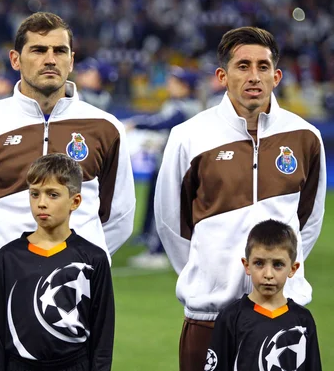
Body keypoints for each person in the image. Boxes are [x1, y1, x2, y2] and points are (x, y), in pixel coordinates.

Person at [0, 12, 135, 371]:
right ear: (15, 59)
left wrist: (72, 263)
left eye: (60, 50)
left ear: (72, 59)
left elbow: (117, 217)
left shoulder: (105, 128)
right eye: (38, 49)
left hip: (73, 292)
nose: (50, 59)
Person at [154, 26, 326, 371]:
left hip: (281, 314)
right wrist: (209, 275)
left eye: (263, 67)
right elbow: (171, 223)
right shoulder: (189, 136)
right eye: (243, 66)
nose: (254, 76)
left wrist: (275, 276)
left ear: (276, 76)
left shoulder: (307, 137)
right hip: (209, 315)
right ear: (222, 75)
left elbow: (308, 223)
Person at [0, 153, 114, 371]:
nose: (41, 203)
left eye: (53, 195)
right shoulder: (8, 257)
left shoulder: (93, 259)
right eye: (34, 194)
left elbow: (103, 333)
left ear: (75, 201)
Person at [205, 219, 321, 371]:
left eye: (278, 264)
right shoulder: (231, 318)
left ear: (293, 269)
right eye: (259, 263)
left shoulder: (303, 320)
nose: (268, 274)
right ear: (247, 266)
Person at [125, 66, 202, 270]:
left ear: (186, 86)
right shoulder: (182, 104)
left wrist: (137, 123)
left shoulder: (184, 106)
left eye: (175, 82)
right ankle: (159, 246)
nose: (170, 85)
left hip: (177, 167)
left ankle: (156, 251)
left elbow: (163, 122)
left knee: (164, 207)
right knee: (171, 208)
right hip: (179, 165)